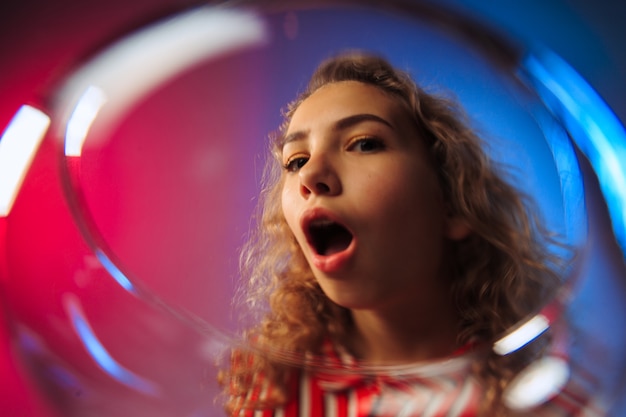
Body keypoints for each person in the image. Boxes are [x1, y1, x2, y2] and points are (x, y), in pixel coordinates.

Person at [220, 52, 574, 416]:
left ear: (452, 201)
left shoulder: (540, 398)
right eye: (296, 161)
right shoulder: (270, 381)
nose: (310, 176)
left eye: (364, 143)